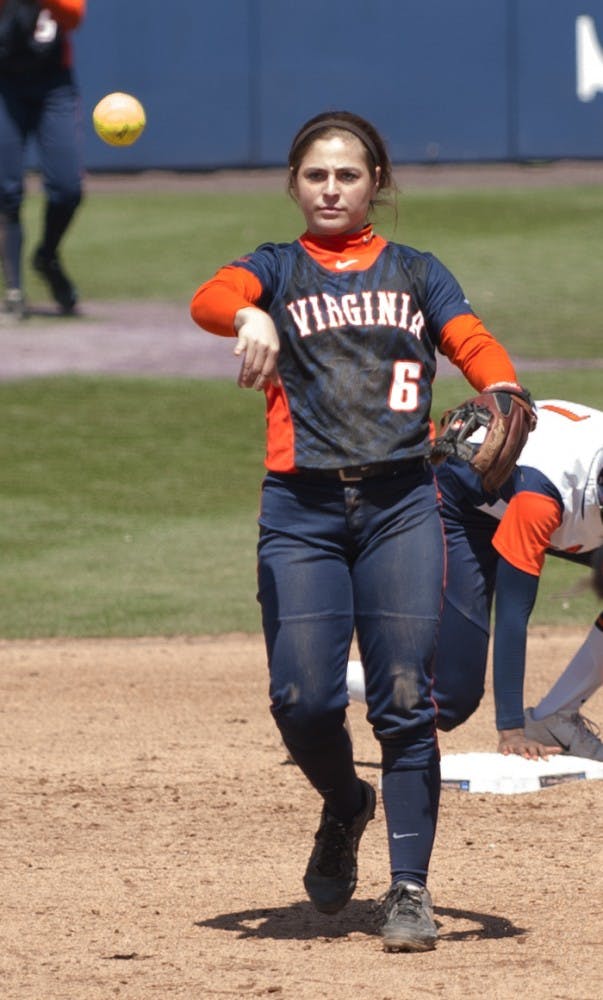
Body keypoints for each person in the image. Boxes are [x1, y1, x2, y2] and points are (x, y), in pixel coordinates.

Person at [190, 110, 534, 952]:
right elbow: (209, 297)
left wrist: (503, 392)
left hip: (399, 509)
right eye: (315, 176)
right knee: (301, 700)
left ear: (376, 180)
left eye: (347, 174)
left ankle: (410, 889)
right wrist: (248, 316)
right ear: (294, 185)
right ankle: (346, 804)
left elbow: (471, 340)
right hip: (301, 514)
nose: (331, 188)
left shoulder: (416, 271)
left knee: (405, 703)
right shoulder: (271, 269)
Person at [431, 398, 603, 760]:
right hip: (465, 507)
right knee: (449, 699)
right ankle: (335, 691)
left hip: (544, 495)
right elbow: (512, 613)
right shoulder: (542, 499)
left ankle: (554, 716)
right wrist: (511, 730)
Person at [0, 0, 85, 321]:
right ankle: (14, 291)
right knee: (6, 191)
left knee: (68, 188)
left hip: (53, 82)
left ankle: (47, 255)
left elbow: (74, 15)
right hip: (5, 82)